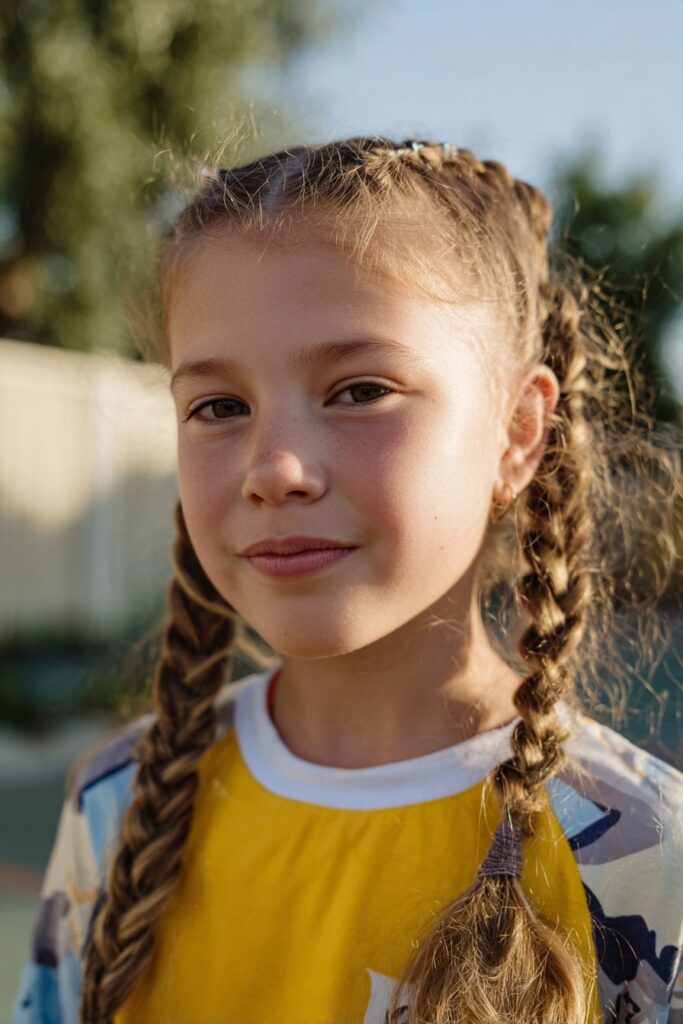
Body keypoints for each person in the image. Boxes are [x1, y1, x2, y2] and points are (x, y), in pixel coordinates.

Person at [11, 136, 683, 1024]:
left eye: (359, 390)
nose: (274, 468)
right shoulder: (120, 805)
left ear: (518, 434)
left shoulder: (646, 860)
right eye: (218, 407)